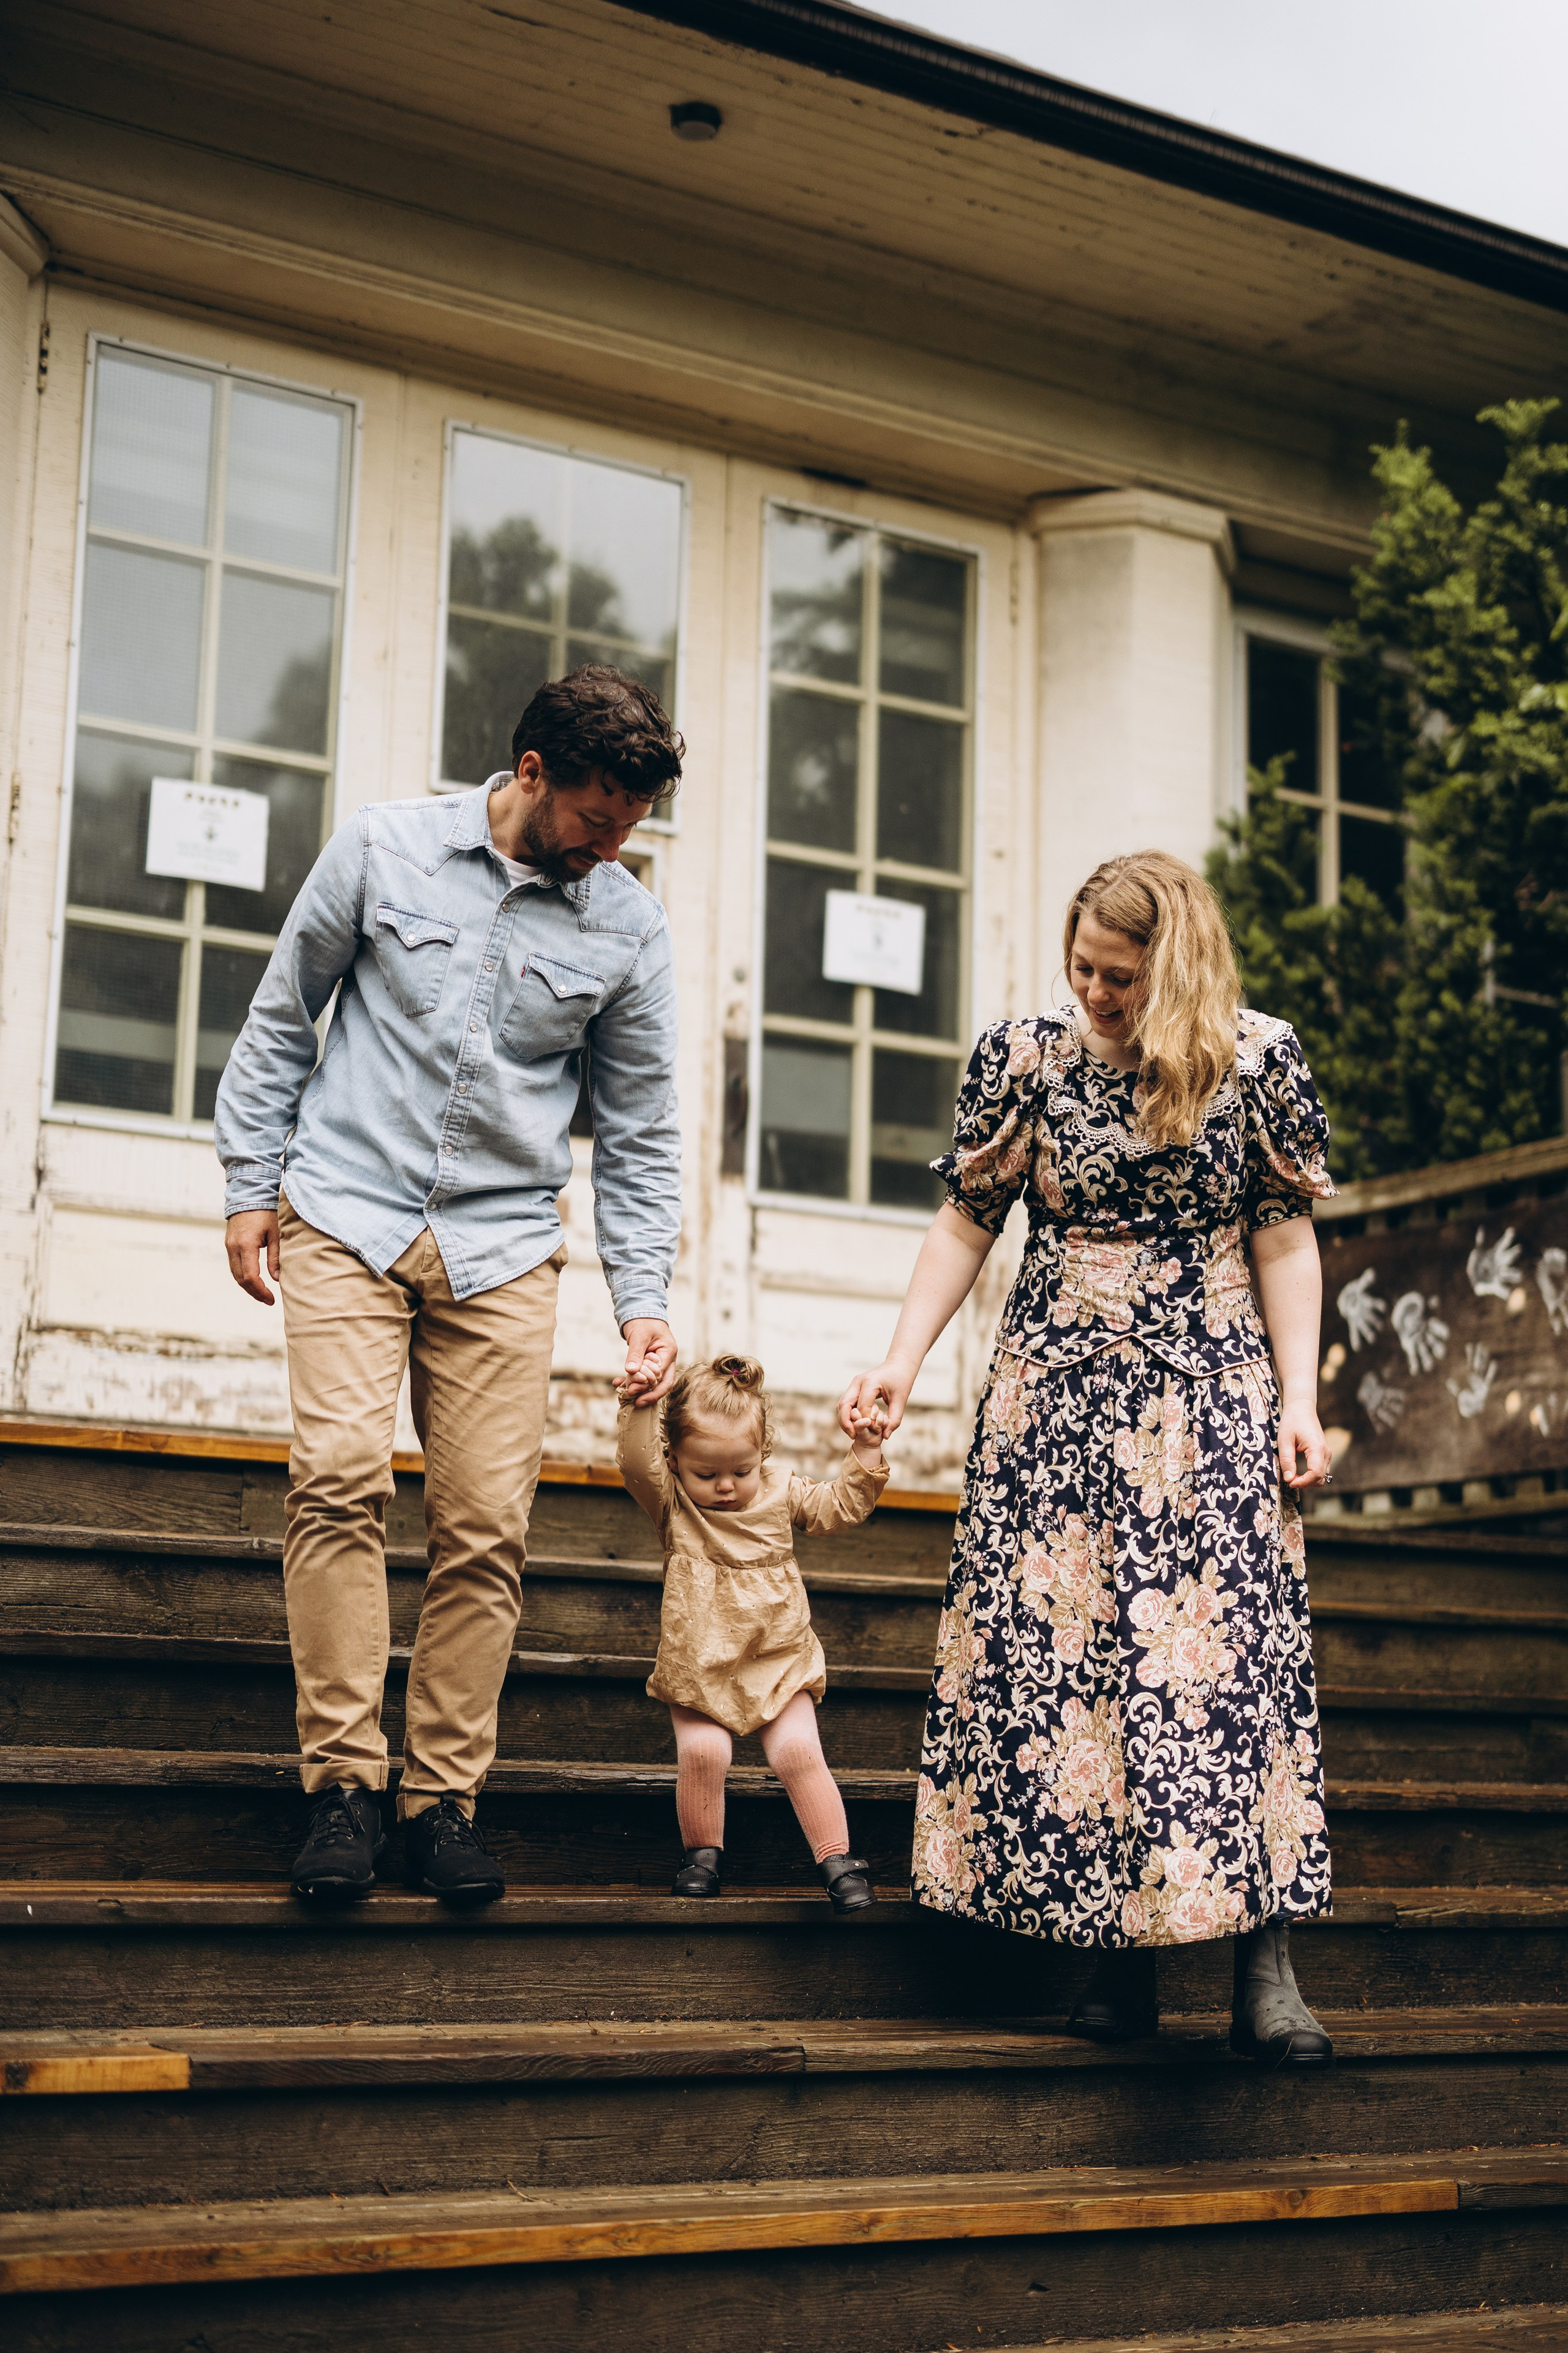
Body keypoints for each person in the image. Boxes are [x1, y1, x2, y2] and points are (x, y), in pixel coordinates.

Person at [839, 850, 1337, 2066]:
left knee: (1222, 1675)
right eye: (1081, 971)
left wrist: (1301, 1397)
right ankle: (1110, 1961)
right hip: (1052, 1403)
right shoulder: (1027, 1061)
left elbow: (1282, 1242)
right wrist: (899, 1362)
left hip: (1208, 1398)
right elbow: (965, 1220)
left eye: (1119, 978)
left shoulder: (1253, 1060)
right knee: (1077, 1679)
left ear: (1174, 968)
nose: (1095, 996)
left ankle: (1259, 1967)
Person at [216, 666, 684, 1911]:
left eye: (633, 821)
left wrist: (642, 1301)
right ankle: (342, 1791)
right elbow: (281, 1019)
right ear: (531, 774)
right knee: (339, 1480)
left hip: (502, 1248)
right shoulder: (383, 849)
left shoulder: (628, 926)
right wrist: (247, 1183)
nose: (612, 843)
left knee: (486, 1525)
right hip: (344, 1214)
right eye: (597, 814)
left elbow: (639, 1130)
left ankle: (439, 1805)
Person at [618, 1353, 888, 1911]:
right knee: (705, 1753)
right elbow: (634, 1465)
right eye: (706, 1473)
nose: (725, 1487)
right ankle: (702, 1856)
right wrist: (639, 1404)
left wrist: (865, 1449)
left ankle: (836, 1858)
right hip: (700, 1660)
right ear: (675, 1460)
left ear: (762, 1452)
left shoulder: (780, 1490)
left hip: (777, 1656)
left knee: (796, 1751)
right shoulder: (673, 1504)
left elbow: (840, 1506)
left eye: (741, 1471)